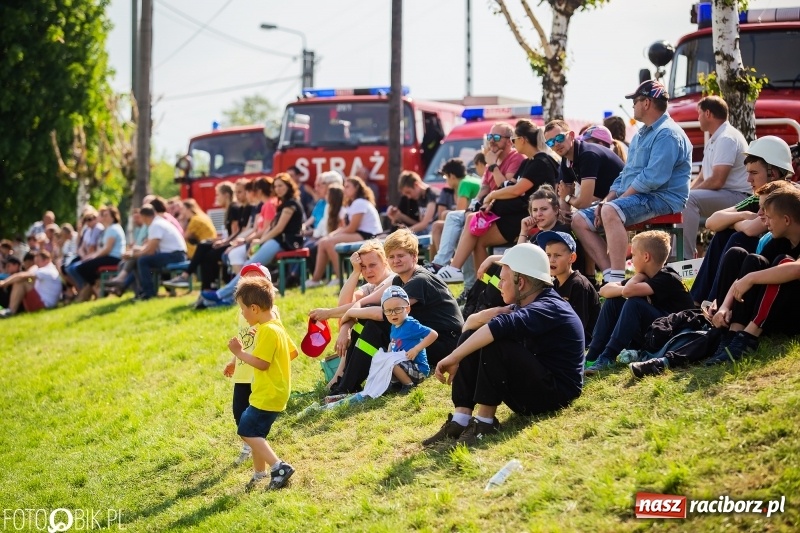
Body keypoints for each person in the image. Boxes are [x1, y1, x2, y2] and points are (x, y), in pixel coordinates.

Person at [422, 243, 585, 447]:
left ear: (521, 282)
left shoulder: (549, 306)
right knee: (475, 335)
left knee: (495, 342)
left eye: (503, 280)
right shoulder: (526, 303)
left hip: (556, 395)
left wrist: (453, 357)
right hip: (533, 390)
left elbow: (498, 329)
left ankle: (484, 423)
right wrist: (483, 316)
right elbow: (469, 327)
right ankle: (460, 420)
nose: (498, 285)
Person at [572, 80, 692, 284]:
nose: (633, 105)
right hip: (642, 196)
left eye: (635, 101)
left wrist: (613, 204)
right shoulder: (641, 134)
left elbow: (653, 179)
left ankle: (617, 282)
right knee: (578, 220)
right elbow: (625, 175)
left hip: (663, 198)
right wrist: (607, 200)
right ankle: (610, 275)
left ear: (646, 103)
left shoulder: (668, 134)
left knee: (610, 211)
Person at [330, 230, 463, 394]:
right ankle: (345, 381)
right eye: (391, 257)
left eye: (401, 255)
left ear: (414, 257)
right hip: (423, 337)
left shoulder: (420, 280)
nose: (396, 260)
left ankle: (346, 386)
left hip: (443, 343)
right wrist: (346, 326)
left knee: (377, 325)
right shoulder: (398, 280)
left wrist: (350, 314)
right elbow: (364, 303)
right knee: (367, 319)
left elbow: (384, 313)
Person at [437, 119, 559, 283]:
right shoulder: (528, 162)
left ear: (523, 140)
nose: (513, 143)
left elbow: (517, 190)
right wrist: (490, 200)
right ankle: (482, 284)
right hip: (514, 214)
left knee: (476, 230)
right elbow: (507, 185)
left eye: (514, 139)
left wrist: (491, 196)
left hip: (526, 217)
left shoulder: (541, 162)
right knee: (476, 232)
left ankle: (470, 276)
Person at [700, 187, 800, 367]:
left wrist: (751, 278)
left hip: (793, 315)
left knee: (783, 262)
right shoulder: (779, 240)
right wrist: (725, 306)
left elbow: (796, 269)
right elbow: (747, 274)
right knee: (749, 258)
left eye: (769, 217)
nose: (765, 222)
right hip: (774, 311)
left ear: (786, 220)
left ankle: (748, 338)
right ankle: (732, 333)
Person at [690, 135, 795, 304]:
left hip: (778, 262)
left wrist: (735, 223)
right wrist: (743, 216)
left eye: (754, 173)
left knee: (738, 238)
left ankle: (713, 303)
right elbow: (711, 222)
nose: (748, 179)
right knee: (723, 234)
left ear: (773, 173)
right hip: (759, 260)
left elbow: (752, 229)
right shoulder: (759, 197)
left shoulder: (786, 195)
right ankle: (697, 302)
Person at [584, 231, 695, 374]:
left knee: (634, 303)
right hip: (656, 330)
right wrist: (632, 284)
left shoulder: (668, 277)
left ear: (646, 257)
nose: (631, 259)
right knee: (614, 302)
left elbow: (628, 292)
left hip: (672, 335)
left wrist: (635, 280)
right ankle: (592, 356)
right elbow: (604, 290)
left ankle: (608, 356)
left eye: (634, 255)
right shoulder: (646, 276)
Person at [226, 276, 295, 491]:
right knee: (256, 434)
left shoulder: (267, 330)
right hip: (274, 391)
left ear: (254, 308)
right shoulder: (275, 327)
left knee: (246, 431)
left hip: (268, 393)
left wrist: (239, 353)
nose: (242, 314)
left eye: (243, 309)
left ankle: (279, 467)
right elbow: (293, 352)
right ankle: (259, 474)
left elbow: (262, 364)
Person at [200, 173, 306, 307]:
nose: (278, 189)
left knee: (250, 266)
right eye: (276, 186)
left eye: (281, 186)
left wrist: (261, 241)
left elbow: (278, 229)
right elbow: (271, 228)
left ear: (289, 186)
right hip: (277, 241)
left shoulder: (291, 204)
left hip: (285, 243)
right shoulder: (282, 204)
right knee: (249, 266)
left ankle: (221, 295)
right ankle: (229, 298)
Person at [310, 241, 396, 389]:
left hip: (395, 339)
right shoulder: (371, 285)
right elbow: (344, 304)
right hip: (382, 338)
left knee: (363, 314)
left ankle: (342, 378)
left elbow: (361, 306)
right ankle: (340, 376)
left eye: (372, 265)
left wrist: (328, 313)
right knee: (355, 317)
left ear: (385, 262)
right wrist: (355, 272)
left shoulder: (392, 280)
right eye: (363, 267)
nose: (368, 271)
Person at [222, 264, 279, 465]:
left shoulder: (271, 312)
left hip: (257, 371)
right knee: (239, 412)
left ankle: (256, 446)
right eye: (246, 280)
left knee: (253, 416)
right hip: (243, 371)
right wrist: (233, 361)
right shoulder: (243, 312)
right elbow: (243, 340)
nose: (250, 284)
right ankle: (251, 444)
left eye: (256, 279)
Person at [681, 96, 751, 259]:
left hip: (739, 197)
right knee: (684, 198)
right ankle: (679, 257)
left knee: (688, 200)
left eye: (699, 114)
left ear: (708, 114)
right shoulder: (716, 138)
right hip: (727, 194)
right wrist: (683, 194)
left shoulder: (726, 138)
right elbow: (703, 177)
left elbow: (717, 180)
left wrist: (687, 196)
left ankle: (684, 259)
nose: (697, 118)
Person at [306, 176, 383, 287]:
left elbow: (352, 228)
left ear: (356, 188)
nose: (344, 189)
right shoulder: (352, 203)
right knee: (323, 242)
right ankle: (316, 279)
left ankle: (340, 278)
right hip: (358, 233)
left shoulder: (360, 202)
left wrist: (333, 236)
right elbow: (346, 227)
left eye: (347, 187)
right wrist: (332, 234)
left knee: (330, 242)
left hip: (369, 236)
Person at [545, 120, 625, 211]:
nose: (556, 144)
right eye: (550, 142)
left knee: (578, 218)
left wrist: (568, 197)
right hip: (609, 200)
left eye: (559, 138)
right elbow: (564, 192)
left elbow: (584, 203)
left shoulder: (588, 155)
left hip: (626, 198)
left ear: (571, 135)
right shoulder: (566, 159)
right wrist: (564, 212)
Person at [535, 230, 599, 344]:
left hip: (581, 339)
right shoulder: (554, 284)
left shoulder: (578, 285)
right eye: (548, 255)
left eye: (557, 255)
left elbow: (578, 325)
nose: (551, 260)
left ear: (572, 258)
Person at [380, 285, 438, 394]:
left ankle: (408, 384)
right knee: (385, 361)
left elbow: (433, 334)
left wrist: (416, 349)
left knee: (392, 362)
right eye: (388, 311)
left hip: (418, 369)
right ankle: (396, 383)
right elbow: (392, 343)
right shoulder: (394, 326)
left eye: (397, 309)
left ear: (407, 309)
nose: (393, 314)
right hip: (404, 366)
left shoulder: (411, 324)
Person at [131, 205, 188, 300]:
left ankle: (148, 293)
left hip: (175, 255)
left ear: (144, 217)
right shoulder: (159, 222)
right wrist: (138, 252)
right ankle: (141, 291)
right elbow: (150, 247)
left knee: (142, 261)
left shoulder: (155, 225)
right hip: (177, 254)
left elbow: (150, 251)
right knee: (140, 259)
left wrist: (134, 255)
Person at [73, 206, 126, 302]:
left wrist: (93, 257)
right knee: (83, 267)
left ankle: (98, 289)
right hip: (109, 257)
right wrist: (91, 256)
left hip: (114, 258)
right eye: (103, 215)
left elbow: (107, 249)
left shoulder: (113, 229)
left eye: (106, 215)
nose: (104, 217)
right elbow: (102, 249)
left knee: (82, 268)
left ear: (113, 217)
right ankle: (97, 288)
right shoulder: (109, 229)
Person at [0, 250, 62, 318]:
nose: (37, 264)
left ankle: (11, 310)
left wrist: (4, 283)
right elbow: (29, 277)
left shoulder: (47, 271)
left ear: (47, 260)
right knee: (24, 281)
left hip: (44, 305)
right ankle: (10, 309)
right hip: (44, 302)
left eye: (38, 261)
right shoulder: (45, 270)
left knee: (21, 282)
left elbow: (22, 276)